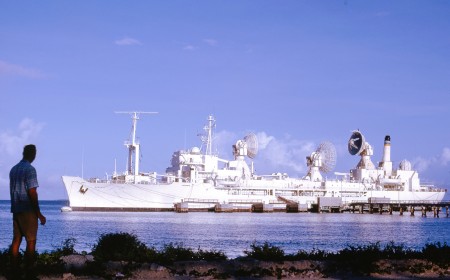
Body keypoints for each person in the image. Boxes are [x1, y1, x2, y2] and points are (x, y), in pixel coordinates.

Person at [9, 144, 46, 276]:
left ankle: (13, 270)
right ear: (33, 154)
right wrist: (39, 213)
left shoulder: (13, 169)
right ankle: (29, 271)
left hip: (16, 209)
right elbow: (32, 192)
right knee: (31, 241)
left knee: (16, 240)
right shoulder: (30, 169)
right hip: (27, 210)